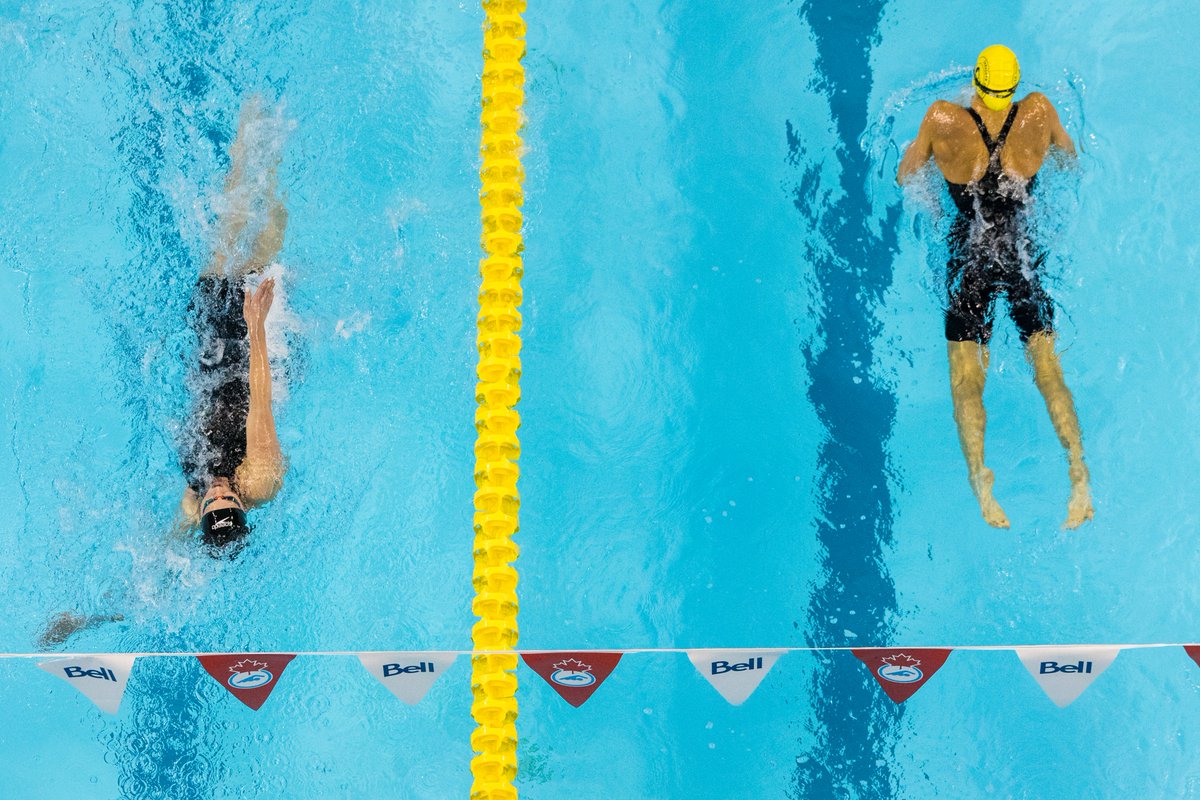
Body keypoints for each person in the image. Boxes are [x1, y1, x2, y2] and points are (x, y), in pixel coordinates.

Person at [896, 45, 1093, 529]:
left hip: (971, 256)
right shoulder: (1040, 111)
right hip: (1021, 252)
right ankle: (1079, 475)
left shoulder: (943, 119)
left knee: (967, 380)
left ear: (978, 81)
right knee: (1048, 369)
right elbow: (1071, 161)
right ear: (1015, 85)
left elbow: (908, 176)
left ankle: (983, 487)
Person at [178, 96, 289, 556]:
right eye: (228, 496)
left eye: (211, 499)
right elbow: (260, 397)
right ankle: (278, 149)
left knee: (226, 233)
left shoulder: (191, 505)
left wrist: (82, 621)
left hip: (209, 357)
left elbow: (160, 560)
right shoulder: (260, 477)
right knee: (267, 236)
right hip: (249, 355)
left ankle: (249, 126)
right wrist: (255, 324)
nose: (219, 487)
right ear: (242, 502)